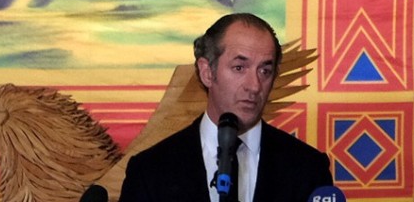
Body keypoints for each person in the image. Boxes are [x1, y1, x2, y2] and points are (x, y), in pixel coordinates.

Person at [119, 13, 334, 202]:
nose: (254, 85)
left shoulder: (308, 168)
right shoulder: (150, 170)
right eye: (239, 67)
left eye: (264, 71)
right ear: (207, 72)